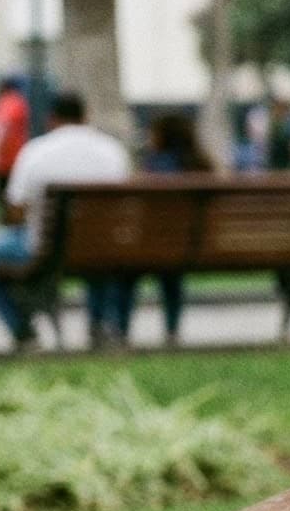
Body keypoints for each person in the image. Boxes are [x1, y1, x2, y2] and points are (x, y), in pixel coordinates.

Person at [0, 90, 132, 351]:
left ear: (52, 119)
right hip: (101, 249)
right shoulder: (112, 151)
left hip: (45, 251)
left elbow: (15, 211)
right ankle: (99, 324)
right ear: (85, 117)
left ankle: (23, 330)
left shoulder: (36, 151)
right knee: (97, 254)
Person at [88, 113, 213, 344]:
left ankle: (121, 330)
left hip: (150, 246)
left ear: (163, 137)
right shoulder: (202, 166)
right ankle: (172, 330)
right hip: (191, 246)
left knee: (125, 273)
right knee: (171, 273)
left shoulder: (156, 166)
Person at [0, 77, 32, 202]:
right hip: (11, 160)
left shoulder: (9, 103)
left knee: (8, 202)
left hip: (8, 162)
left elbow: (3, 128)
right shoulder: (15, 102)